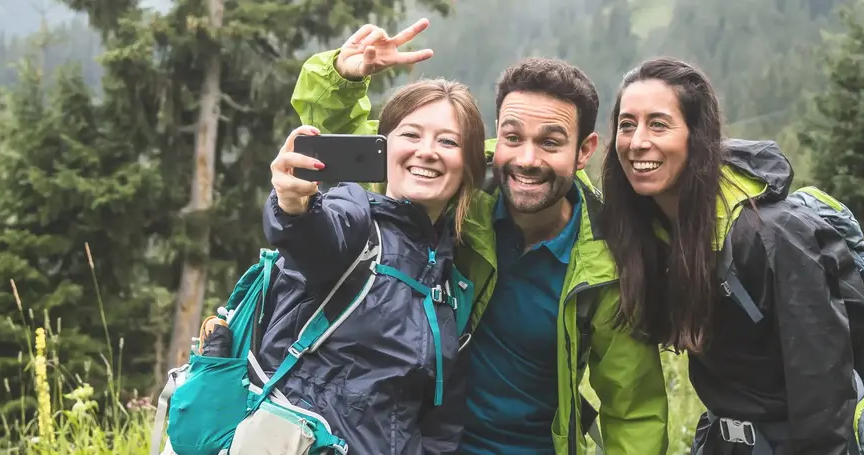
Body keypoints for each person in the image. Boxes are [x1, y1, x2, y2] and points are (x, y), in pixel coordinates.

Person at [287, 18, 671, 455]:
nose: (527, 159)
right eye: (513, 137)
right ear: (497, 134)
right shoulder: (461, 189)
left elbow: (632, 409)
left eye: (550, 142)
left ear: (584, 151)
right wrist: (342, 78)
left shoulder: (608, 263)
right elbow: (369, 150)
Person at [598, 57, 864, 455]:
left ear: (696, 136)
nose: (637, 141)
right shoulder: (653, 232)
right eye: (627, 124)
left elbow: (823, 394)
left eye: (658, 124)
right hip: (724, 440)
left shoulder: (772, 235)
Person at [260, 72, 487, 453]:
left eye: (448, 141)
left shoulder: (452, 284)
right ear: (383, 148)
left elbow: (442, 424)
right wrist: (293, 205)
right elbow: (314, 239)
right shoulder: (355, 217)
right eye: (411, 135)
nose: (427, 151)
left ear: (468, 164)